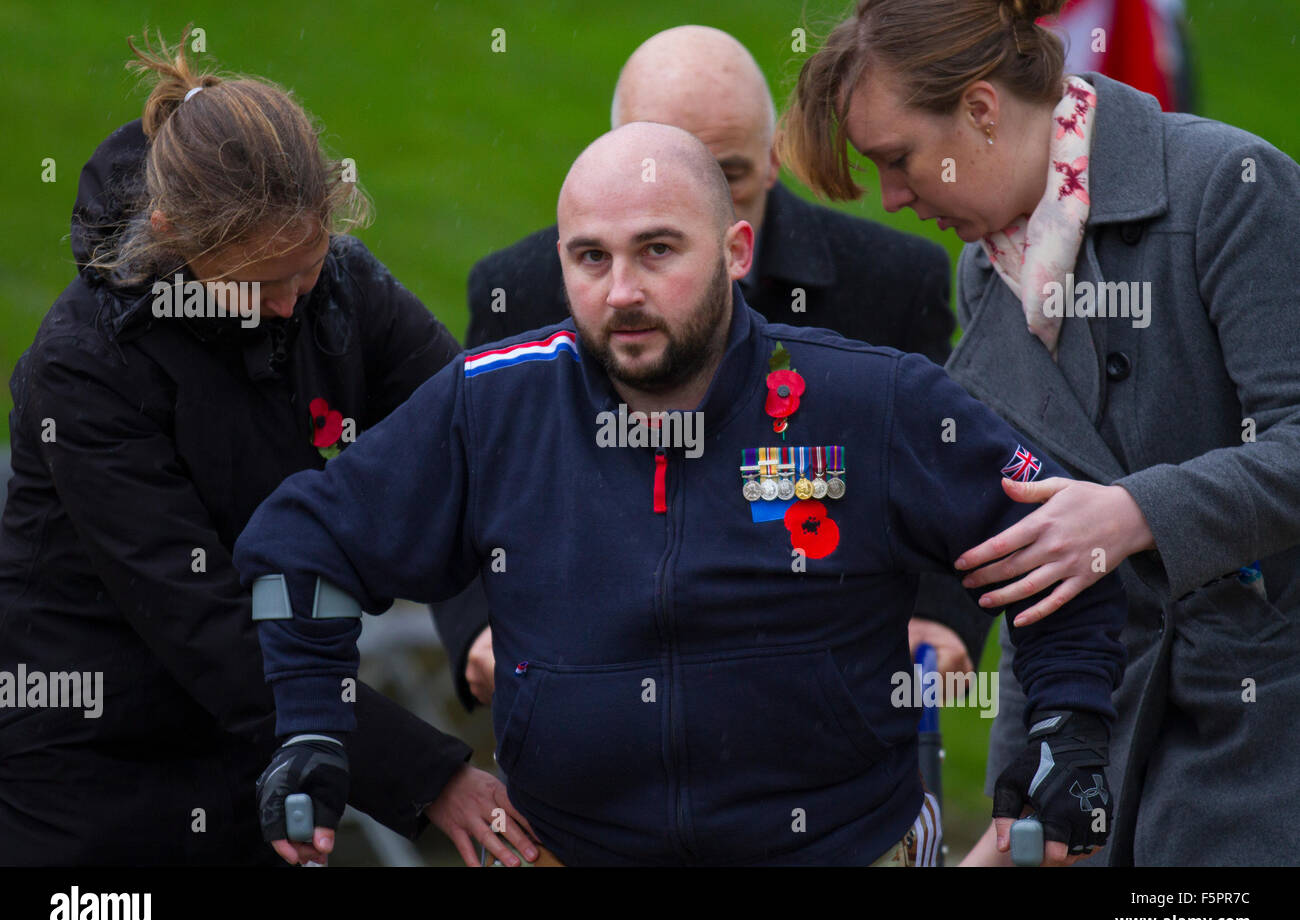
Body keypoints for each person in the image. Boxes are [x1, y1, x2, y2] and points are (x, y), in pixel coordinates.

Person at [234, 121, 1126, 867]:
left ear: (738, 250)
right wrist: (312, 727)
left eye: (658, 250)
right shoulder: (491, 402)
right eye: (590, 257)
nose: (622, 292)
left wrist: (1067, 735)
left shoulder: (872, 400)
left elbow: (1062, 538)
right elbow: (298, 545)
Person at [779, 0, 1300, 865]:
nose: (895, 198)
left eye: (898, 161)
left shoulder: (1227, 188)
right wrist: (1025, 806)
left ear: (981, 110)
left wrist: (1133, 513)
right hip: (1114, 770)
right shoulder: (986, 283)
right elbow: (1035, 579)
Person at [0, 29, 536, 867]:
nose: (292, 306)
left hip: (267, 741)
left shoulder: (341, 286)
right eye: (259, 285)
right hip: (94, 774)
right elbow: (208, 627)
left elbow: (482, 438)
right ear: (175, 234)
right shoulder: (83, 369)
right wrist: (433, 777)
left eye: (307, 267)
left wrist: (482, 621)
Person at [434, 24, 985, 720]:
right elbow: (461, 487)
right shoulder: (521, 292)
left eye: (725, 173)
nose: (699, 202)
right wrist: (478, 629)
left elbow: (951, 473)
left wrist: (941, 619)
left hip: (822, 708)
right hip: (597, 700)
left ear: (774, 156)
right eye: (660, 171)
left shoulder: (888, 285)